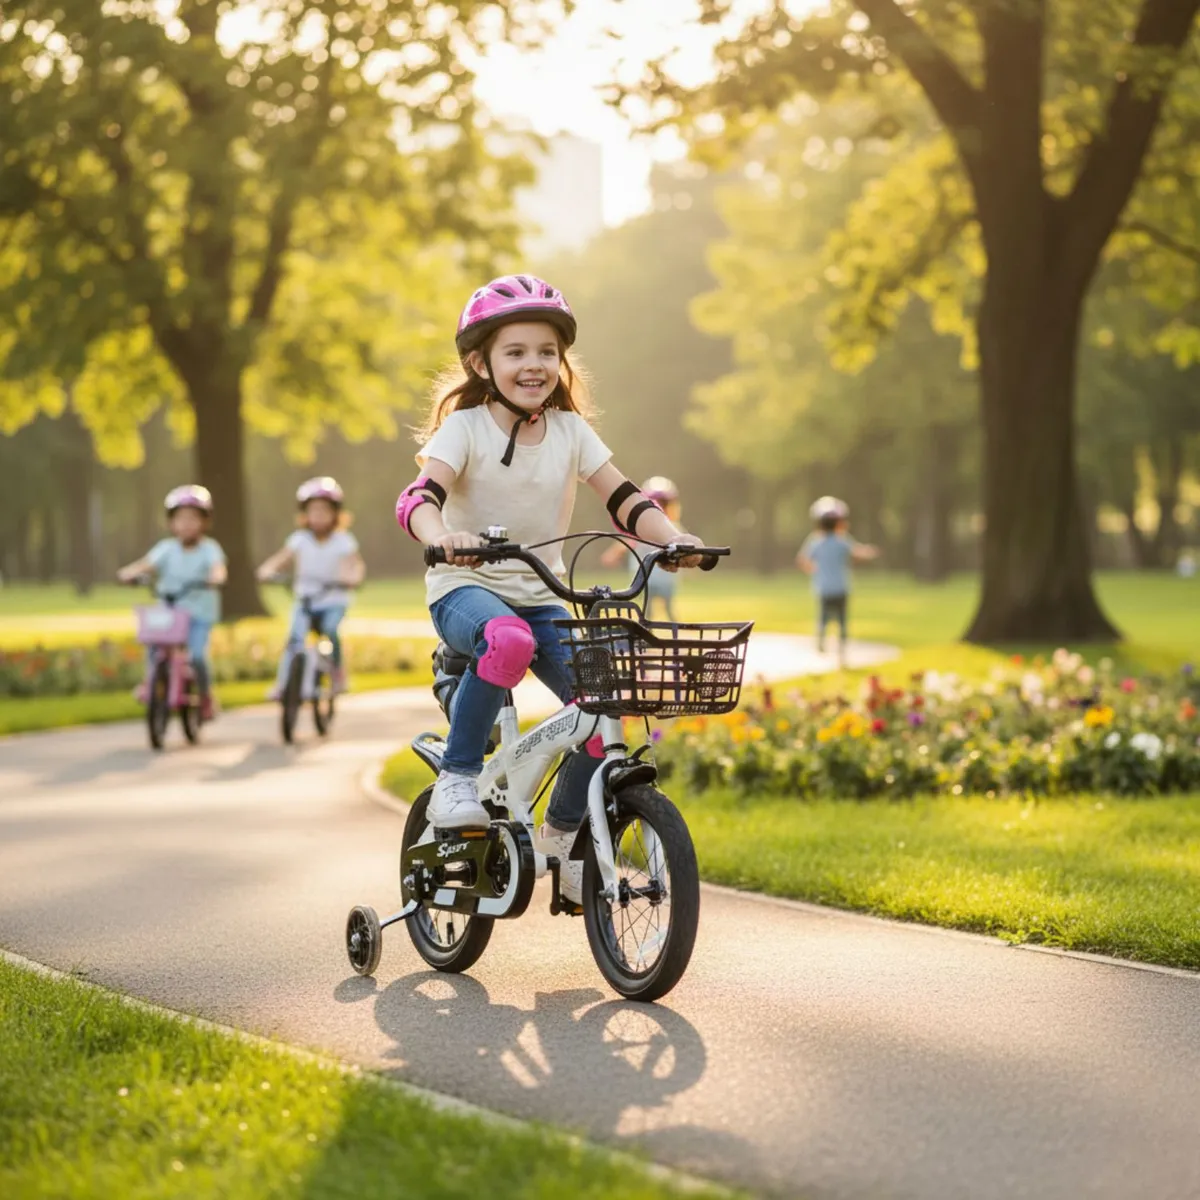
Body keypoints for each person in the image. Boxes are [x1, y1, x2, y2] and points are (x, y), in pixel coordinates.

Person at [395, 273, 703, 904]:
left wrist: (672, 538)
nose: (533, 365)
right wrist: (441, 534)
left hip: (540, 595)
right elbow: (418, 497)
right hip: (465, 589)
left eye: (546, 352)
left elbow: (622, 497)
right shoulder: (467, 428)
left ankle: (561, 835)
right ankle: (458, 777)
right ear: (481, 362)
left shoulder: (570, 432)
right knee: (504, 639)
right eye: (515, 352)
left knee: (606, 700)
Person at [117, 485, 227, 720]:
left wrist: (216, 577)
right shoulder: (167, 549)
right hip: (170, 611)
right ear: (172, 522)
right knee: (155, 646)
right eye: (181, 518)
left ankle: (206, 697)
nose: (186, 524)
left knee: (197, 656)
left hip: (198, 613)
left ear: (204, 522)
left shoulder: (209, 549)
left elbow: (218, 568)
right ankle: (151, 682)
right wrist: (129, 572)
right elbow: (147, 564)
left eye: (193, 518)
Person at [256, 476, 365, 699]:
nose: (318, 516)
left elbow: (356, 565)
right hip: (305, 599)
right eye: (313, 511)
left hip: (333, 599)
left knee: (331, 630)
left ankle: (337, 675)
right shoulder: (299, 540)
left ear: (335, 514)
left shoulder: (343, 541)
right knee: (294, 640)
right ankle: (283, 685)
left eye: (324, 511)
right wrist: (266, 571)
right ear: (305, 514)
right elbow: (281, 559)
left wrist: (352, 577)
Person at [796, 496, 878, 668]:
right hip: (841, 587)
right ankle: (841, 652)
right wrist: (871, 552)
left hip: (824, 587)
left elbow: (802, 560)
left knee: (823, 618)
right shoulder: (842, 541)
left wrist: (814, 569)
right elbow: (857, 553)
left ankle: (821, 644)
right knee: (842, 621)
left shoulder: (816, 541)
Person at [600, 476, 685, 622]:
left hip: (650, 579)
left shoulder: (646, 528)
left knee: (649, 612)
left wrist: (612, 555)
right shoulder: (672, 528)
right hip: (652, 579)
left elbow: (626, 544)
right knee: (657, 612)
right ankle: (667, 640)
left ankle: (651, 639)